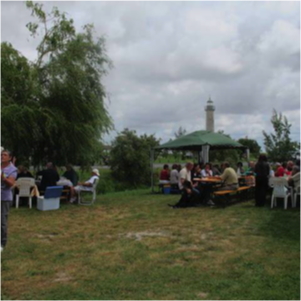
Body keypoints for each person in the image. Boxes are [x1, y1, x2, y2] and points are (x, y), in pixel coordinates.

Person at [1, 150, 18, 251]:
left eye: (5, 155)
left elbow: (11, 183)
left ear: (10, 158)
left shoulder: (12, 169)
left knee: (2, 221)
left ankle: (2, 243)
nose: (2, 156)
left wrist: (3, 177)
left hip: (4, 198)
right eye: (1, 155)